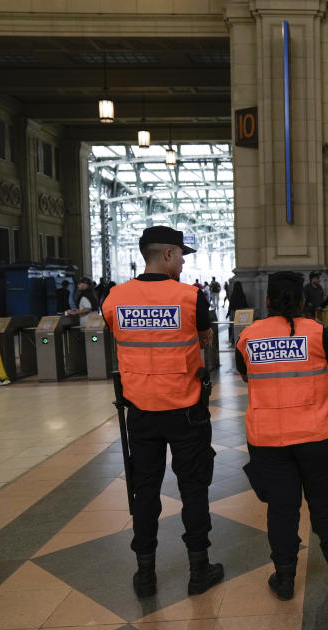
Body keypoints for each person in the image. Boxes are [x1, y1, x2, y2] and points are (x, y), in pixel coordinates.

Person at [101, 225, 223, 599]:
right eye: (182, 255)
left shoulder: (114, 299)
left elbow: (116, 334)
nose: (184, 263)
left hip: (140, 411)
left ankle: (145, 575)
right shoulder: (190, 297)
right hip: (185, 409)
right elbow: (205, 338)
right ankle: (199, 569)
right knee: (194, 486)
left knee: (145, 489)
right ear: (167, 254)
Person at [236, 271, 328, 601]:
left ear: (267, 301)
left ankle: (285, 577)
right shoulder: (318, 332)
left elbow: (245, 375)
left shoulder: (248, 336)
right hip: (318, 433)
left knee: (281, 509)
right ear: (303, 301)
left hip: (268, 439)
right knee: (325, 502)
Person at [226, 281, 249, 346]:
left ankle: (232, 340)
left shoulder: (233, 294)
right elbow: (245, 304)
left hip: (233, 313)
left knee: (233, 327)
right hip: (241, 313)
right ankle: (237, 339)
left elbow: (230, 305)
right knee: (239, 327)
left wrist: (228, 313)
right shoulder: (242, 294)